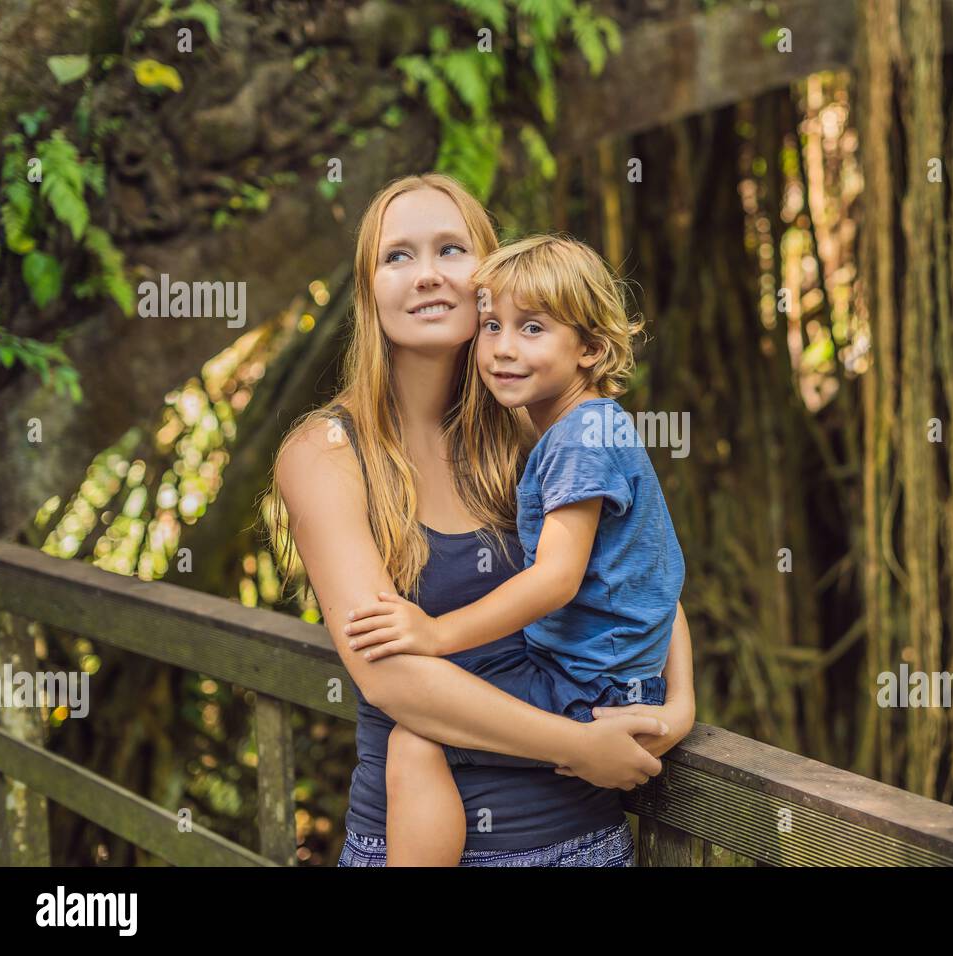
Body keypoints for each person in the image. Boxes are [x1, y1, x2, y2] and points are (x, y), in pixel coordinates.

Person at [269, 173, 696, 866]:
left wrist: (675, 709)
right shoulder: (327, 454)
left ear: (490, 277)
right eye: (398, 256)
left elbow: (638, 571)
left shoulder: (538, 432)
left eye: (451, 250)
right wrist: (578, 746)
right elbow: (391, 676)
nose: (428, 275)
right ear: (368, 290)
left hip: (580, 840)